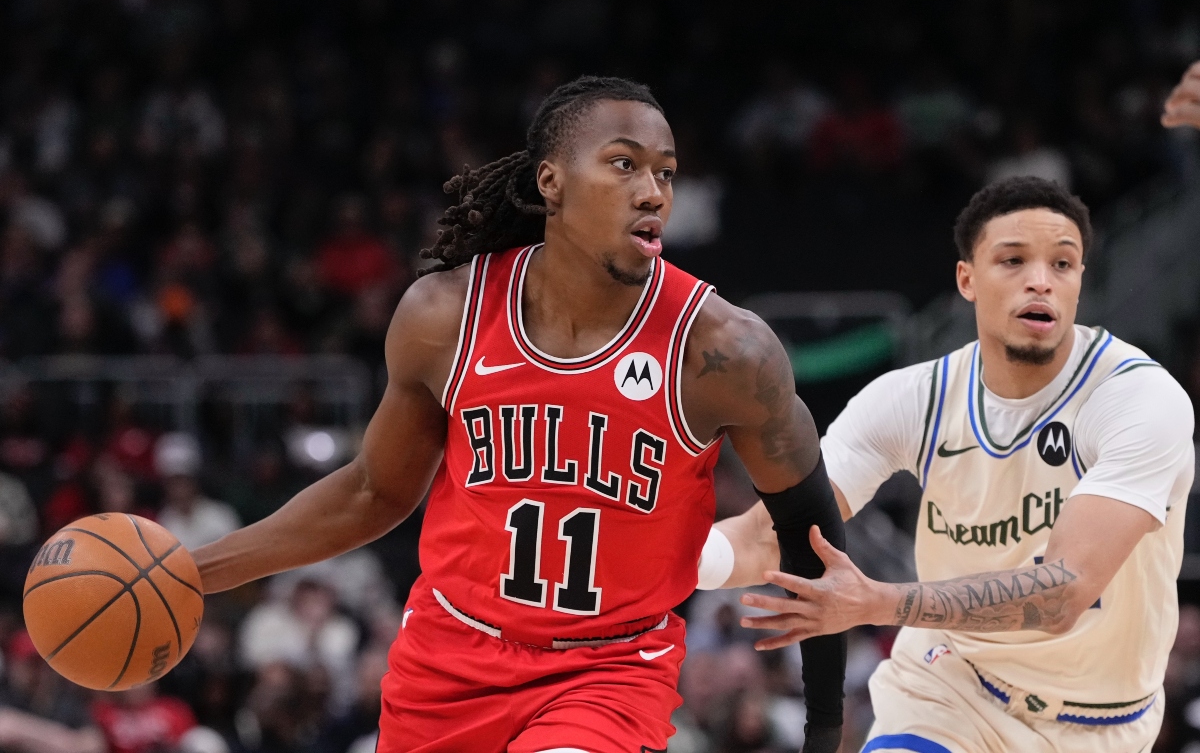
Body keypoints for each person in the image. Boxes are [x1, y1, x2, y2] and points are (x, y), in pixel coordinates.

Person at [194, 76, 847, 753]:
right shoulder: (446, 316)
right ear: (551, 182)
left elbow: (811, 530)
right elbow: (372, 492)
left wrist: (824, 730)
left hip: (607, 671)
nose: (653, 192)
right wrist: (194, 573)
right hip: (447, 658)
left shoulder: (724, 351)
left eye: (666, 173)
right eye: (624, 164)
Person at [699, 62, 1200, 752]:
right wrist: (662, 561)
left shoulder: (1138, 398)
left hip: (1096, 723)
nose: (1040, 281)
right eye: (1013, 260)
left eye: (1062, 263)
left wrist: (881, 602)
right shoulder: (912, 399)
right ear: (967, 279)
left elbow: (1064, 593)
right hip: (949, 688)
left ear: (1082, 280)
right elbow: (771, 533)